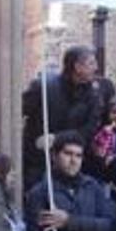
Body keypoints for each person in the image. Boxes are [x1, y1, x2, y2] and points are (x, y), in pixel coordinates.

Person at [21, 45, 105, 189]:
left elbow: (89, 130)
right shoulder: (43, 87)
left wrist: (57, 138)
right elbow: (18, 112)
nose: (96, 68)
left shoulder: (94, 95)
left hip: (71, 165)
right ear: (77, 67)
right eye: (91, 63)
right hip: (38, 161)